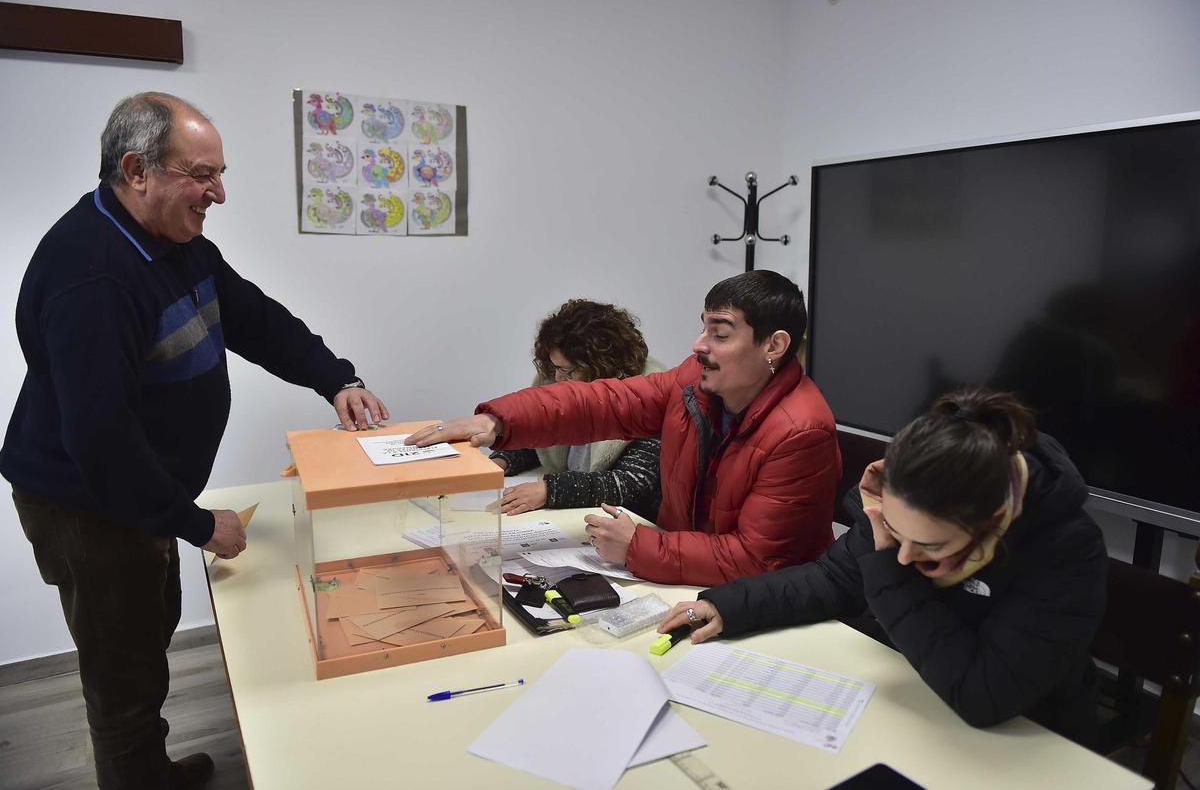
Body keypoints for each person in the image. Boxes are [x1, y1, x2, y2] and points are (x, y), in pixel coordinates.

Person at [0, 92, 388, 790]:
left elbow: (257, 321)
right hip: (86, 503)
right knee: (123, 670)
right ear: (137, 170)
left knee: (147, 634)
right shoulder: (92, 276)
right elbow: (101, 442)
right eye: (202, 174)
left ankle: (152, 769)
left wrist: (337, 379)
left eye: (219, 172)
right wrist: (199, 525)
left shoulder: (174, 243)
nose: (220, 192)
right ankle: (137, 774)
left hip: (137, 489)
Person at [659, 389, 1108, 747]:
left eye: (929, 545)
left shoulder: (1065, 548)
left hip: (1028, 735)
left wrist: (887, 562)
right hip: (920, 698)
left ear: (989, 524)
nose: (906, 556)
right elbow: (835, 577)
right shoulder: (903, 492)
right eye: (896, 531)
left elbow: (983, 696)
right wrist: (733, 604)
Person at [409, 270, 841, 586]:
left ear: (774, 345)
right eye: (703, 327)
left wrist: (638, 547)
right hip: (689, 579)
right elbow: (603, 403)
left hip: (763, 600)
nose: (699, 344)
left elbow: (757, 558)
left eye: (720, 334)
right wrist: (499, 420)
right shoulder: (695, 380)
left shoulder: (801, 431)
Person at [489, 299, 663, 520]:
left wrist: (551, 491)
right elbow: (540, 443)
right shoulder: (553, 380)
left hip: (625, 524)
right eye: (555, 368)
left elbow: (630, 483)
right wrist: (500, 462)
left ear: (602, 367)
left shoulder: (648, 397)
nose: (558, 379)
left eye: (568, 371)